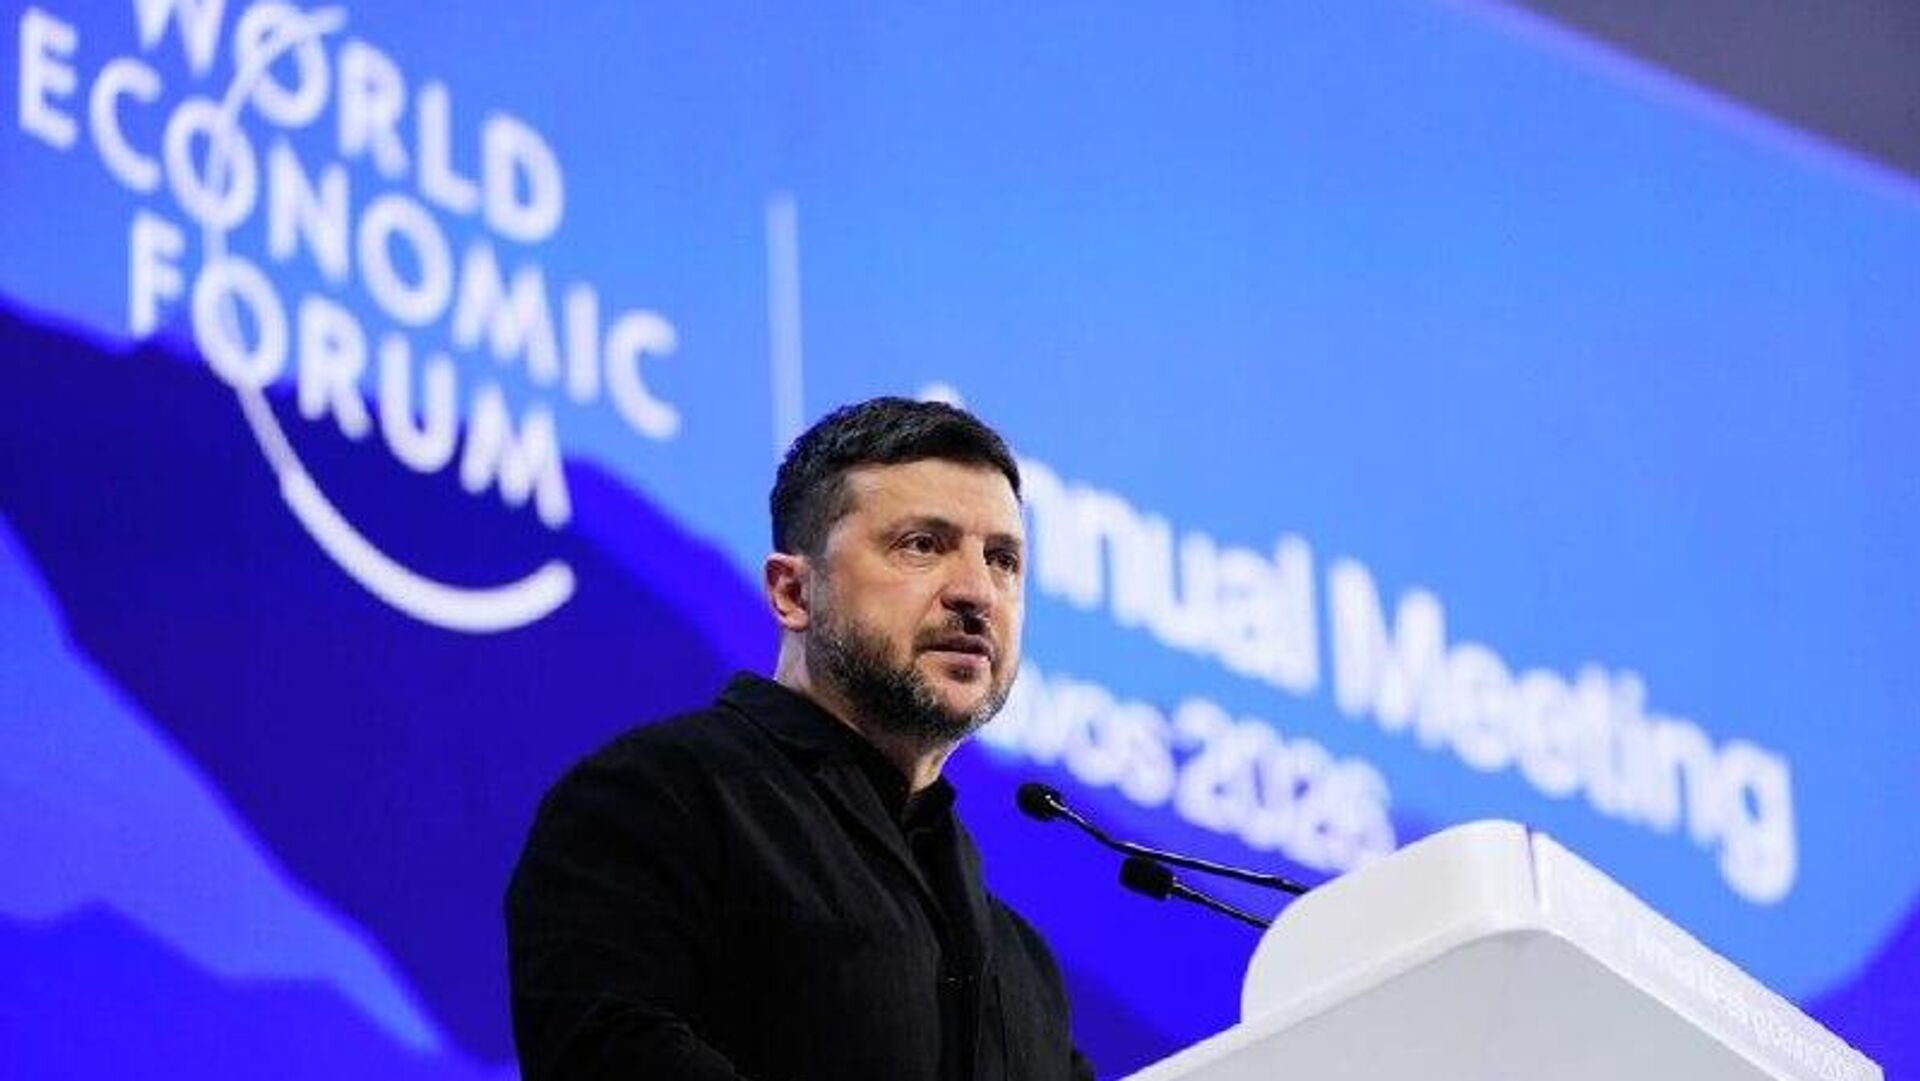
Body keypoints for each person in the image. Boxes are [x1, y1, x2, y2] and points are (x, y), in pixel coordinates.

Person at [506, 397, 1094, 1081]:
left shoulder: (1025, 972)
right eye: (922, 545)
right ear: (792, 592)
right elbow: (609, 1053)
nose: (977, 592)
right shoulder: (658, 800)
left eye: (1003, 559)